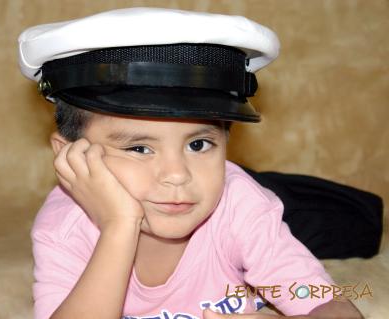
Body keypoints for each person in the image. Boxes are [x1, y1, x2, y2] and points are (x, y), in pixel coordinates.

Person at [18, 7, 364, 319]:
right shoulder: (64, 227)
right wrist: (118, 225)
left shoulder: (241, 207)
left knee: (349, 222)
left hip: (239, 199)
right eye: (139, 148)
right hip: (208, 197)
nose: (177, 174)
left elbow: (331, 306)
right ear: (70, 157)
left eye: (199, 143)